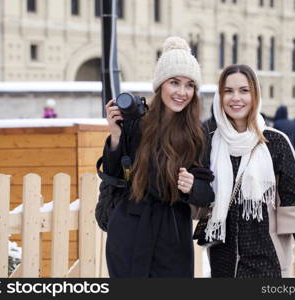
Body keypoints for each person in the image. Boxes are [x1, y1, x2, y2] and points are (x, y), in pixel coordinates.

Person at [102, 37, 215, 277]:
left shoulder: (198, 133)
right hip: (129, 232)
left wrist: (192, 186)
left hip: (172, 236)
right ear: (161, 84)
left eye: (189, 85)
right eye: (174, 82)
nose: (182, 92)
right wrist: (115, 136)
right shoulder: (135, 122)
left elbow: (208, 191)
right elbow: (112, 176)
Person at [197, 64, 295, 278]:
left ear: (255, 95)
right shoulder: (210, 143)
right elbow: (201, 203)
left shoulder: (275, 142)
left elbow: (294, 204)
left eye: (244, 90)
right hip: (222, 265)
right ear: (220, 96)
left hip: (267, 263)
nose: (236, 98)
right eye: (228, 91)